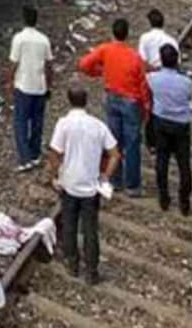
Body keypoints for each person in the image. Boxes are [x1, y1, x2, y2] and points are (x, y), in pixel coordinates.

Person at [47, 87, 120, 285]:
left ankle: (72, 263)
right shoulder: (98, 126)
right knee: (90, 229)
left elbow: (54, 153)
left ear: (69, 101)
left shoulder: (64, 124)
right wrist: (105, 176)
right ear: (86, 101)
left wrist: (55, 175)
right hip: (91, 187)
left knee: (69, 225)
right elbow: (115, 154)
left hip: (69, 184)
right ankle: (92, 271)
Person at [78, 19, 151, 197]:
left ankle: (116, 180)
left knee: (114, 141)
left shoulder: (105, 49)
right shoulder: (135, 57)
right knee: (132, 143)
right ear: (127, 34)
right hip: (131, 101)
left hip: (111, 97)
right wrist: (147, 109)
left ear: (113, 33)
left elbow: (84, 64)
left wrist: (98, 73)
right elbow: (143, 87)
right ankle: (132, 186)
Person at [149, 44, 192, 215]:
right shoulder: (186, 82)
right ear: (177, 61)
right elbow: (190, 98)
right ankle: (184, 201)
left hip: (161, 123)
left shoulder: (153, 78)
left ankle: (164, 198)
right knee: (184, 164)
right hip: (181, 125)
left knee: (162, 161)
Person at [9, 6, 53, 172]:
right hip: (39, 87)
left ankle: (24, 158)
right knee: (37, 122)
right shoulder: (43, 40)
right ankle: (35, 154)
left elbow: (14, 63)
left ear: (24, 19)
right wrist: (49, 85)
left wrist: (8, 82)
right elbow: (49, 65)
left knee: (20, 122)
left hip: (23, 86)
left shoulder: (19, 39)